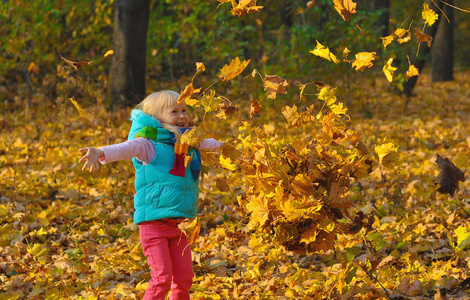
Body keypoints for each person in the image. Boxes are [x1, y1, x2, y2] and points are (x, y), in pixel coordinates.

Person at [79, 90, 223, 300]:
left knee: (185, 277)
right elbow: (125, 148)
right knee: (162, 278)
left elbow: (212, 144)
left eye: (184, 110)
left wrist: (235, 149)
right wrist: (100, 152)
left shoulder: (188, 141)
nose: (182, 115)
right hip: (153, 225)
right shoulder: (148, 143)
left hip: (180, 223)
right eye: (174, 111)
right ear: (157, 118)